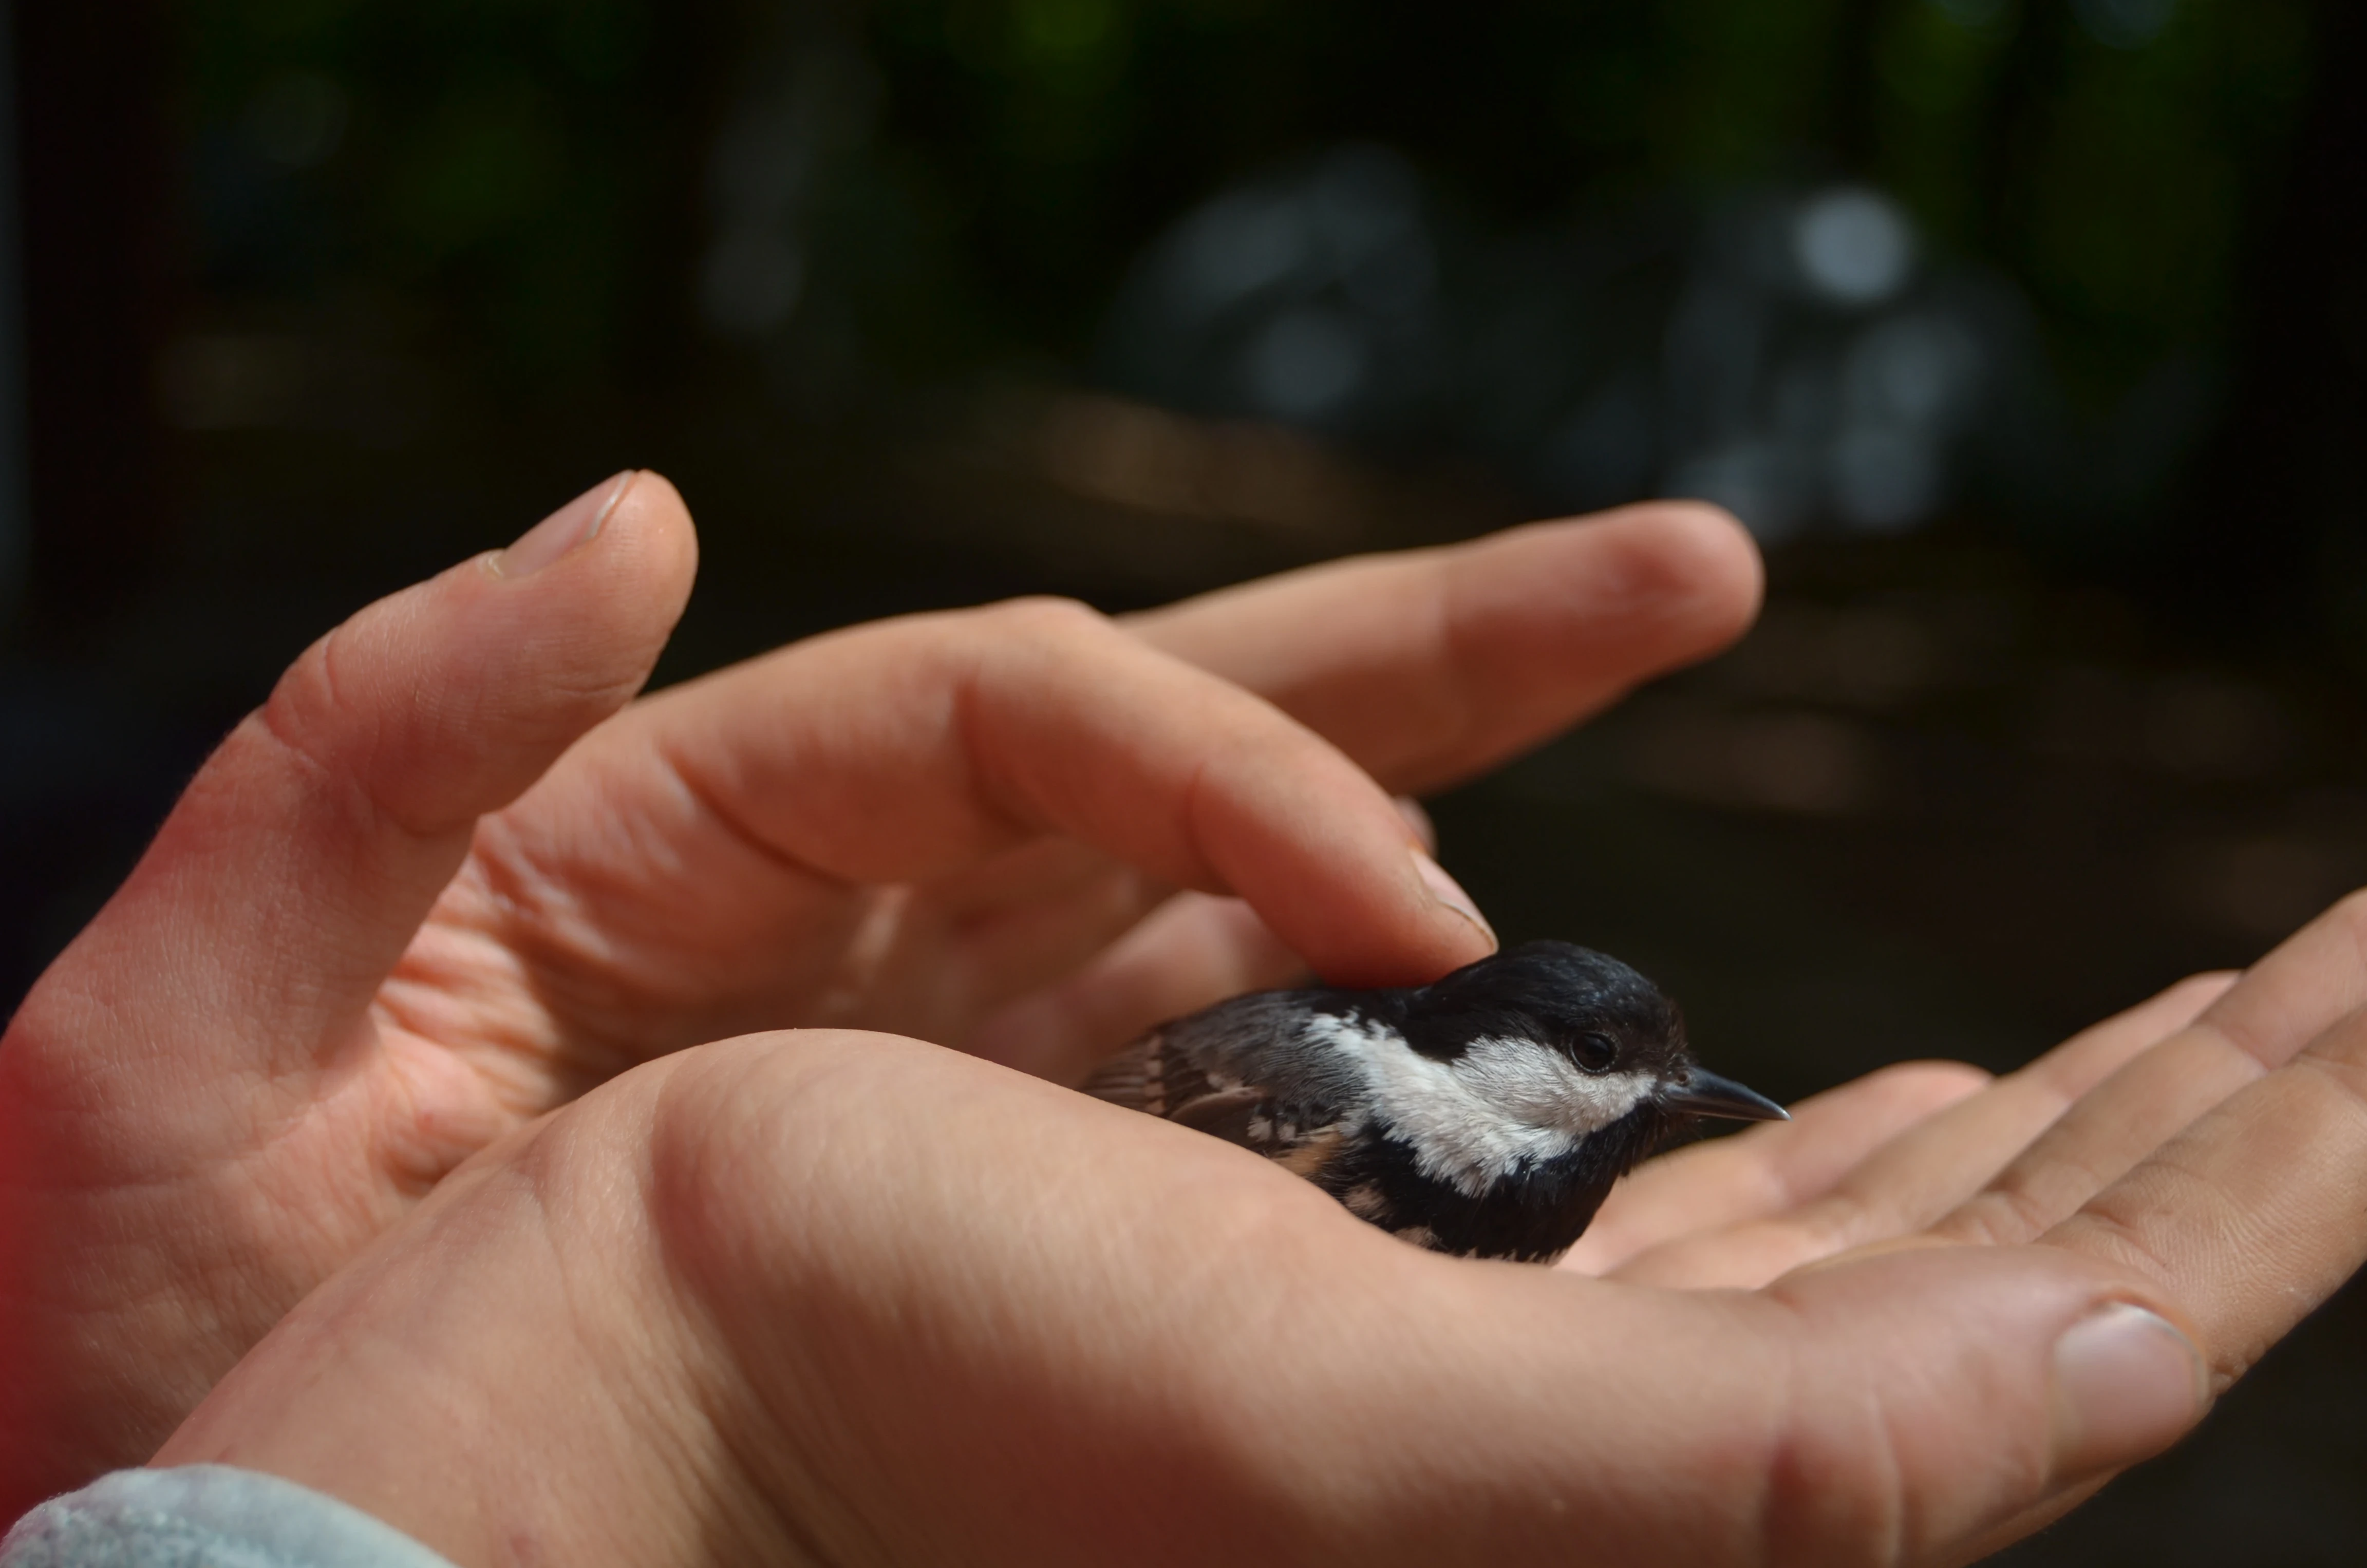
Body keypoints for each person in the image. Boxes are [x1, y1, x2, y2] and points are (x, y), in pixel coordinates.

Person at [3, 472, 2364, 1565]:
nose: (1640, 1119)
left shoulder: (1518, 1187)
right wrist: (644, 1342)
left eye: (1660, 1093)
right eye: (1610, 1079)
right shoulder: (1321, 1080)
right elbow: (1108, 1140)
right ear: (1484, 1046)